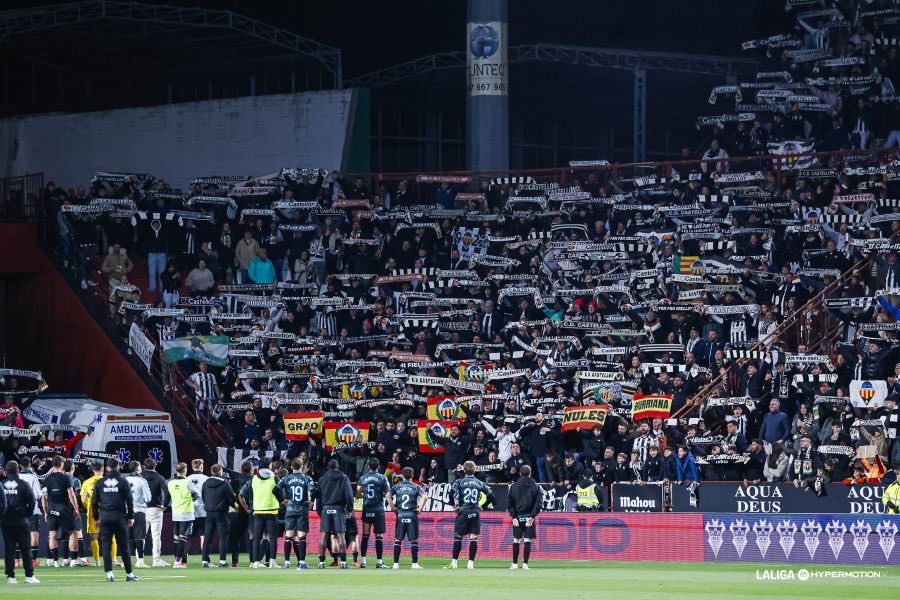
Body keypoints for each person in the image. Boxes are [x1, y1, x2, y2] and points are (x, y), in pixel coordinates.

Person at [90, 458, 139, 583]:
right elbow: (129, 500)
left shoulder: (100, 482)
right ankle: (129, 574)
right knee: (124, 545)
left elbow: (94, 502)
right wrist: (131, 516)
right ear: (118, 467)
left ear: (107, 468)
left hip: (105, 518)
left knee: (106, 546)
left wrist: (96, 518)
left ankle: (109, 574)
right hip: (119, 517)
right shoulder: (123, 481)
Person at [446, 460, 495, 570]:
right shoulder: (480, 483)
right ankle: (470, 564)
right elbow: (492, 498)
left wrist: (454, 506)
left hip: (463, 511)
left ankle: (454, 563)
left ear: (464, 470)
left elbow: (451, 493)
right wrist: (483, 506)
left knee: (458, 537)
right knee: (473, 537)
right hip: (475, 511)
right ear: (474, 470)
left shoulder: (459, 481)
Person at [2, 461, 40, 584]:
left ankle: (10, 577)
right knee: (25, 548)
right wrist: (27, 514)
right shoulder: (23, 484)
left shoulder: (1, 484)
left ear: (5, 471)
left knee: (9, 549)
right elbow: (32, 501)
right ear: (18, 469)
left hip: (6, 521)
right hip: (21, 520)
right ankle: (29, 576)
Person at [239, 462, 283, 569]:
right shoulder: (274, 477)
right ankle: (272, 561)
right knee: (272, 538)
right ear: (269, 466)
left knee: (257, 538)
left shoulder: (253, 479)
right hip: (271, 511)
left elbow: (241, 494)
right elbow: (280, 492)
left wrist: (248, 509)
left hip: (258, 511)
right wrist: (281, 500)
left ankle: (256, 562)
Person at [41, 455, 80, 568]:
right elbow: (71, 494)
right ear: (62, 464)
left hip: (52, 510)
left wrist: (46, 512)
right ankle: (73, 561)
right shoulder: (66, 478)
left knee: (52, 535)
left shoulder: (46, 480)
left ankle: (55, 562)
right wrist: (76, 508)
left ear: (52, 464)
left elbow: (43, 498)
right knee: (73, 533)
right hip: (64, 510)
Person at [315, 459, 354, 569]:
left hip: (326, 508)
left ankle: (321, 562)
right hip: (339, 509)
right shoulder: (344, 478)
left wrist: (319, 511)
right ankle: (343, 562)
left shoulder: (322, 479)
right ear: (338, 467)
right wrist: (349, 509)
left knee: (324, 535)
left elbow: (318, 497)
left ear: (328, 467)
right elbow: (349, 495)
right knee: (341, 535)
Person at [276, 459, 315, 570]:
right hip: (302, 509)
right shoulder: (307, 478)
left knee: (288, 537)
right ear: (302, 466)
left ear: (291, 467)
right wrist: (311, 501)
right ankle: (302, 563)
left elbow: (275, 490)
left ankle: (287, 563)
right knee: (302, 537)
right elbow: (314, 491)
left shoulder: (286, 478)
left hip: (290, 509)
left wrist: (282, 500)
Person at [385, 466, 426, 569]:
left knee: (398, 540)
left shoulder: (397, 486)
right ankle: (414, 564)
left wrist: (393, 507)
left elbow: (387, 496)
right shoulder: (416, 487)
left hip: (401, 515)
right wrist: (420, 508)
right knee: (414, 540)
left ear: (402, 476)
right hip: (412, 515)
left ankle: (395, 564)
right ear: (412, 475)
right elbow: (425, 497)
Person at [356, 457, 390, 568]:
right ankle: (379, 562)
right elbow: (387, 493)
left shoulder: (362, 478)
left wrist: (364, 495)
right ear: (379, 467)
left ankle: (363, 562)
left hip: (367, 509)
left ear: (368, 466)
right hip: (378, 510)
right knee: (379, 536)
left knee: (365, 535)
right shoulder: (382, 478)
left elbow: (357, 494)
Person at [506, 464, 542, 570]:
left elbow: (509, 504)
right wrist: (532, 516)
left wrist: (514, 517)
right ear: (530, 473)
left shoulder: (513, 486)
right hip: (529, 517)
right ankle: (525, 564)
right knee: (527, 540)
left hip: (518, 517)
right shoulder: (536, 486)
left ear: (520, 473)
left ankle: (514, 564)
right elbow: (538, 504)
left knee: (516, 540)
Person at [201, 464, 236, 568]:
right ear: (220, 471)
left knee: (207, 538)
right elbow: (231, 498)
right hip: (221, 513)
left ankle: (205, 561)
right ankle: (222, 561)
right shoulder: (225, 483)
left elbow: (203, 497)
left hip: (209, 513)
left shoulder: (205, 483)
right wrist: (233, 505)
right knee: (223, 538)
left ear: (212, 471)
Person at [167, 462, 200, 568]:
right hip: (186, 512)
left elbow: (169, 496)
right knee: (183, 537)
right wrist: (193, 499)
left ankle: (178, 560)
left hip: (175, 512)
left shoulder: (170, 483)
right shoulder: (187, 483)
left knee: (176, 538)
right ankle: (177, 562)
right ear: (185, 470)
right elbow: (198, 493)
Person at [80, 461, 113, 567]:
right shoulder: (108, 481)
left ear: (92, 470)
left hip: (92, 510)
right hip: (108, 509)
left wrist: (88, 507)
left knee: (94, 537)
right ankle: (113, 560)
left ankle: (97, 562)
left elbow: (83, 500)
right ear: (103, 469)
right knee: (111, 535)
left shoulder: (86, 483)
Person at [141, 458, 169, 567]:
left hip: (142, 509)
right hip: (156, 508)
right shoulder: (159, 477)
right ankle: (156, 560)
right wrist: (165, 505)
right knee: (156, 536)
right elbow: (167, 492)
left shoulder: (140, 477)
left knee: (141, 535)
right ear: (155, 465)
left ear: (144, 466)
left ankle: (140, 560)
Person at [125, 461, 152, 568]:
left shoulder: (124, 480)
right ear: (137, 468)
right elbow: (148, 498)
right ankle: (140, 561)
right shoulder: (142, 481)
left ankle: (126, 560)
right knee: (139, 536)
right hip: (139, 511)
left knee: (128, 537)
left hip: (126, 512)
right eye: (140, 466)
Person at [186, 459, 209, 552]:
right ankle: (204, 558)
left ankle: (183, 558)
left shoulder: (186, 479)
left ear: (192, 467)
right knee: (203, 535)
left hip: (190, 511)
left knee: (186, 536)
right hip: (203, 511)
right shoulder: (207, 479)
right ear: (202, 467)